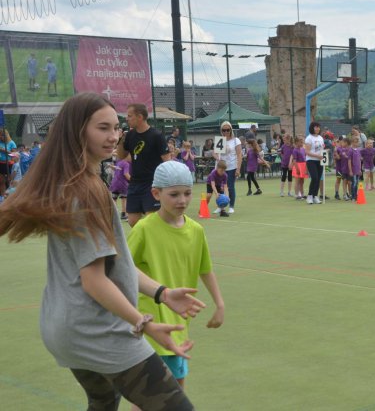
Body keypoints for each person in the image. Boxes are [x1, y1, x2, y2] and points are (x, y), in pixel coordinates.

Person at [0, 92, 206, 410]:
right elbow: (94, 280)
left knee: (103, 402)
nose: (113, 137)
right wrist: (144, 323)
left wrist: (162, 293)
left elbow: (116, 263)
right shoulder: (86, 190)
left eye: (116, 127)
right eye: (102, 128)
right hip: (94, 330)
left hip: (65, 329)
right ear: (78, 131)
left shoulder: (71, 182)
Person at [128, 161, 225, 404]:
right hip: (150, 323)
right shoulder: (144, 229)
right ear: (156, 193)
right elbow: (122, 270)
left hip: (180, 326)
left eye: (187, 193)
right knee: (148, 397)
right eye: (174, 194)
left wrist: (220, 305)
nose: (182, 200)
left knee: (176, 393)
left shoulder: (195, 230)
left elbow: (205, 269)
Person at [117, 103, 170, 227]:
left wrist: (164, 184)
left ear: (140, 117)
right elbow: (121, 156)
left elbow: (167, 161)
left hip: (152, 184)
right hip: (134, 184)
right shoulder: (130, 135)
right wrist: (120, 140)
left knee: (152, 221)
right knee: (132, 222)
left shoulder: (156, 136)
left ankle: (156, 244)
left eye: (130, 116)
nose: (127, 118)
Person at [215, 121, 242, 214]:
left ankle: (231, 206)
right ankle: (220, 206)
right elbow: (215, 153)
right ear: (221, 131)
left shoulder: (236, 140)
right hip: (221, 168)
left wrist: (238, 169)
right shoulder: (220, 140)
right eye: (224, 130)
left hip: (231, 167)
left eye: (228, 130)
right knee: (220, 187)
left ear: (231, 130)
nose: (226, 132)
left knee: (230, 187)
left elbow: (239, 155)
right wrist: (217, 158)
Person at [304, 122, 324, 205]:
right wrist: (317, 155)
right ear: (312, 128)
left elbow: (322, 148)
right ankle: (309, 196)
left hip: (319, 160)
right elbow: (307, 152)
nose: (317, 129)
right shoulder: (309, 138)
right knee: (314, 178)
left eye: (318, 127)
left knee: (318, 178)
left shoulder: (320, 138)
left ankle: (315, 196)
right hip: (311, 160)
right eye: (316, 127)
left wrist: (324, 153)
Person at [109, 152, 131, 220]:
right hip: (122, 185)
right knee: (124, 199)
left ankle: (112, 215)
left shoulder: (119, 162)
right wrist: (133, 180)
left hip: (115, 183)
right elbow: (126, 174)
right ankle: (123, 214)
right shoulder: (126, 164)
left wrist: (111, 166)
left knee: (114, 199)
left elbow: (116, 169)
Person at [0, 129, 17, 198]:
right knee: (1, 180)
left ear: (6, 135)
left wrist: (5, 150)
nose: (1, 137)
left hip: (9, 164)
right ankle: (2, 196)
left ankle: (10, 196)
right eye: (0, 135)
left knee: (9, 180)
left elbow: (15, 155)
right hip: (0, 163)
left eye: (2, 135)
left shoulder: (11, 143)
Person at [290, 135, 307, 200]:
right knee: (297, 181)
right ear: (296, 142)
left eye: (302, 142)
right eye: (300, 142)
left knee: (302, 181)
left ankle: (302, 194)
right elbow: (294, 160)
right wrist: (297, 169)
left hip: (303, 165)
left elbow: (305, 157)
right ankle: (297, 194)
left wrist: (305, 168)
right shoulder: (295, 150)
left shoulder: (303, 149)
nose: (302, 143)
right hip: (298, 165)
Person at [347, 136, 363, 202]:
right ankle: (353, 196)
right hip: (353, 170)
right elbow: (349, 161)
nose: (356, 144)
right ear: (352, 143)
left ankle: (356, 195)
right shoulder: (350, 150)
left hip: (357, 170)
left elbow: (359, 160)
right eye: (355, 142)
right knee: (354, 183)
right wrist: (350, 170)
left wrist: (360, 169)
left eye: (357, 142)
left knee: (356, 183)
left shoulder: (359, 150)